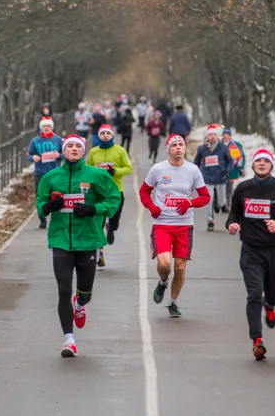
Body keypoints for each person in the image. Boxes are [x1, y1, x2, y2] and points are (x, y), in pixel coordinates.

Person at [36, 134, 122, 357]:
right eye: (69, 146)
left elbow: (114, 198)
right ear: (63, 151)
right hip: (60, 240)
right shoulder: (51, 177)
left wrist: (93, 210)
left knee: (84, 292)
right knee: (63, 289)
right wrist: (48, 208)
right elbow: (40, 202)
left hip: (88, 240)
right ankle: (69, 340)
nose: (73, 149)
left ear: (83, 151)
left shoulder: (96, 175)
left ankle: (81, 303)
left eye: (77, 146)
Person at [225, 148, 275, 360]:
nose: (261, 163)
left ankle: (270, 306)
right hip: (250, 250)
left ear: (271, 165)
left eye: (266, 161)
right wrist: (232, 224)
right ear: (253, 165)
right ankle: (257, 340)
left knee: (272, 294)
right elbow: (234, 213)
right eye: (258, 160)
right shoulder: (243, 189)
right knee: (254, 293)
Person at [139, 134, 211, 317]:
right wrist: (152, 207)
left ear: (185, 149)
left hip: (184, 226)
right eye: (174, 145)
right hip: (162, 224)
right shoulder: (158, 169)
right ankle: (163, 281)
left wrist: (190, 203)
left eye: (181, 145)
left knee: (180, 267)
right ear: (168, 150)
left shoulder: (193, 170)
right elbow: (144, 191)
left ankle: (172, 302)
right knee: (164, 264)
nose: (178, 148)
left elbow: (205, 197)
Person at [86, 124, 133, 267]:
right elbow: (87, 169)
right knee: (97, 225)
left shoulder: (120, 151)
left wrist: (116, 171)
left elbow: (129, 168)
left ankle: (111, 227)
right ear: (99, 136)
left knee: (115, 223)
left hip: (115, 193)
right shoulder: (94, 152)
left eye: (108, 133)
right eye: (102, 133)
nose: (105, 135)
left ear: (112, 135)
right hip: (98, 194)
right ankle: (99, 254)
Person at [193, 124, 234, 231]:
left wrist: (227, 172)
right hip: (207, 179)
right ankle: (210, 221)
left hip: (221, 178)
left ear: (217, 136)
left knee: (221, 203)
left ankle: (218, 204)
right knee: (208, 200)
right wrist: (197, 174)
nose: (212, 136)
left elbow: (230, 161)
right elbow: (196, 162)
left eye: (214, 134)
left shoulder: (223, 148)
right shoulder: (202, 149)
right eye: (210, 134)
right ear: (207, 136)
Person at [26, 116, 64, 228]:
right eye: (44, 126)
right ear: (41, 128)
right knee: (40, 196)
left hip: (55, 172)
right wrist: (34, 157)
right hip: (40, 172)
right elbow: (28, 155)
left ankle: (57, 217)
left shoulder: (58, 140)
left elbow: (66, 154)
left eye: (48, 126)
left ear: (52, 127)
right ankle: (42, 219)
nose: (46, 128)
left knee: (58, 195)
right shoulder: (35, 141)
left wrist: (59, 155)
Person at [221, 128, 246, 212]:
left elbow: (240, 158)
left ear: (230, 136)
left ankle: (229, 205)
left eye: (228, 135)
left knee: (229, 189)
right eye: (224, 134)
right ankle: (221, 204)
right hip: (220, 171)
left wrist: (241, 167)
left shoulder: (236, 145)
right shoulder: (218, 145)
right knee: (220, 189)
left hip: (232, 171)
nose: (226, 136)